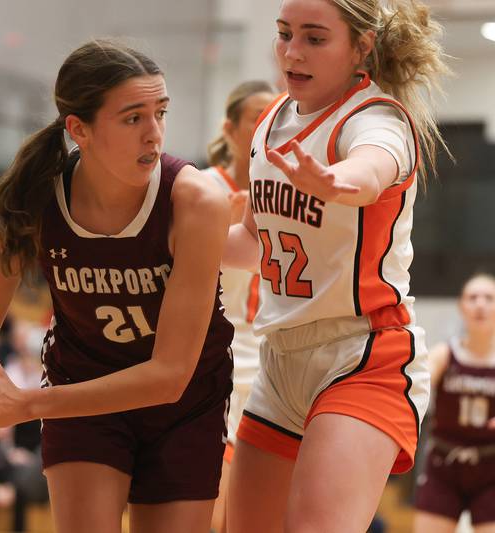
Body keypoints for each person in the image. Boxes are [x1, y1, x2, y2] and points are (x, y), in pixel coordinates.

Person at [0, 40, 234, 533]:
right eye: (133, 118)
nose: (155, 134)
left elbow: (170, 374)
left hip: (184, 404)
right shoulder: (38, 198)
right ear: (80, 129)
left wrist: (26, 404)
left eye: (160, 113)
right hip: (82, 397)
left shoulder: (197, 202)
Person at [219, 1, 450, 531]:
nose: (292, 52)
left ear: (361, 46)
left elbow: (373, 164)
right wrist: (168, 236)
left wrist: (342, 181)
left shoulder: (376, 118)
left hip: (362, 355)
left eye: (314, 38)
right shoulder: (271, 121)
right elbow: (255, 244)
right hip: (280, 362)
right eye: (283, 34)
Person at [202, 80, 276, 533]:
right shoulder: (203, 187)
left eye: (275, 117)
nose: (268, 127)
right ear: (230, 129)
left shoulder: (285, 190)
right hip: (216, 357)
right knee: (213, 512)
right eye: (257, 118)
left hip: (271, 359)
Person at [413, 274, 495, 533]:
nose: (480, 304)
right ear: (461, 307)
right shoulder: (443, 355)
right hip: (444, 465)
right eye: (473, 298)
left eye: (489, 298)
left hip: (490, 467)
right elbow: (414, 389)